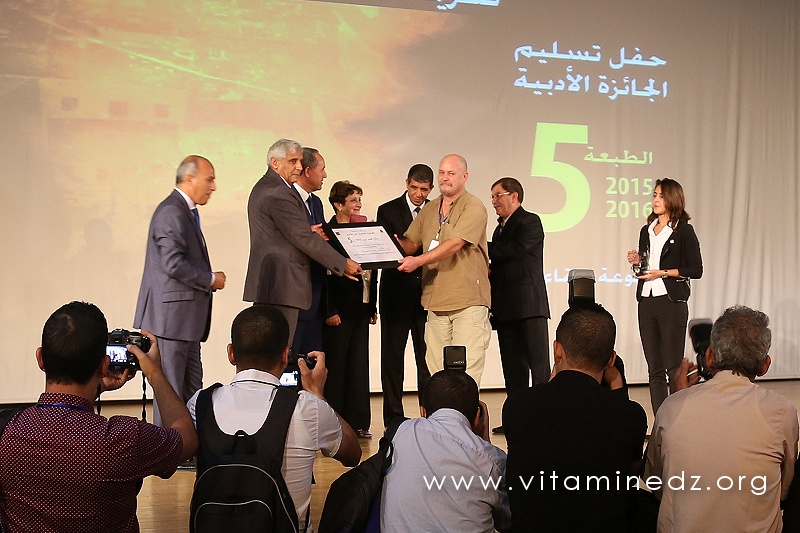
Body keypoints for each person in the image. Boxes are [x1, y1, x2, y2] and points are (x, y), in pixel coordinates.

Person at [0, 301, 197, 533]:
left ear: (40, 359)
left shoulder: (7, 431)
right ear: (105, 365)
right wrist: (154, 373)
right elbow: (187, 438)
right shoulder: (124, 438)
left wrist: (94, 387)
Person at [187, 305, 361, 531]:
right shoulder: (308, 408)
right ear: (285, 355)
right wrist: (318, 394)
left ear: (231, 353)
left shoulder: (199, 403)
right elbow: (352, 454)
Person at [644, 305, 798, 533]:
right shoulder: (781, 412)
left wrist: (677, 400)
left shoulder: (672, 407)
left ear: (709, 357)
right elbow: (785, 489)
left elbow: (656, 482)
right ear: (765, 365)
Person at [502, 303, 647, 532]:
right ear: (611, 360)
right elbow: (630, 477)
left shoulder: (517, 405)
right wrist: (618, 385)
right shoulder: (630, 415)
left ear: (557, 350)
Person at [134, 155, 226, 425]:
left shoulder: (184, 211)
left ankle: (185, 446)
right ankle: (168, 447)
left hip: (184, 321)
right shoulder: (171, 211)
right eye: (209, 179)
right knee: (170, 389)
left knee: (190, 388)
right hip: (171, 320)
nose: (213, 187)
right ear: (189, 179)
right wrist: (209, 279)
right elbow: (172, 263)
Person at [243, 138, 361, 345]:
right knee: (280, 354)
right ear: (275, 162)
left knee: (278, 353)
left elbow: (289, 232)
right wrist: (342, 264)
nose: (299, 166)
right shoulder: (278, 191)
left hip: (279, 285)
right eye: (293, 161)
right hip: (281, 285)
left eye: (299, 161)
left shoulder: (274, 187)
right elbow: (302, 238)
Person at [396, 154, 491, 385]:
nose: (445, 178)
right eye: (442, 173)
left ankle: (465, 421)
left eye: (451, 173)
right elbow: (410, 244)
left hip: (467, 301)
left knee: (466, 374)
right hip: (435, 302)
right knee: (437, 375)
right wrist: (376, 241)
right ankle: (442, 421)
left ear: (464, 177)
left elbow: (455, 244)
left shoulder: (474, 206)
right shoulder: (430, 210)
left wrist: (417, 261)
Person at [380, 370, 511, 532]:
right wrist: (485, 440)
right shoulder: (493, 459)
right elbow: (508, 520)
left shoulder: (399, 432)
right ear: (478, 415)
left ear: (423, 412)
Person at [627, 177, 703, 415]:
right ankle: (661, 418)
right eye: (654, 195)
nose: (656, 200)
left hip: (671, 302)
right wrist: (638, 262)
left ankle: (677, 417)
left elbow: (696, 269)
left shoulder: (683, 231)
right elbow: (645, 268)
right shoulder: (646, 230)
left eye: (661, 196)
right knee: (654, 369)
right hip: (647, 301)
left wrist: (664, 273)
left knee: (673, 367)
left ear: (673, 199)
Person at [488, 177, 550, 435]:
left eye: (498, 195)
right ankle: (516, 418)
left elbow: (515, 250)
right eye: (492, 196)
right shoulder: (498, 228)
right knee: (512, 369)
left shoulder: (530, 221)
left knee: (538, 367)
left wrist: (480, 247)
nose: (494, 201)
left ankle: (544, 416)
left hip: (528, 306)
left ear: (514, 196)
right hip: (505, 308)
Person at [376, 163, 434, 426]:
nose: (418, 194)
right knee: (392, 360)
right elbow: (387, 251)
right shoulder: (387, 210)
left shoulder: (436, 210)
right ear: (406, 183)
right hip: (395, 296)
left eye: (424, 189)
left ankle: (429, 415)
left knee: (427, 361)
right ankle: (393, 418)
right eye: (414, 187)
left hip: (427, 296)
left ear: (431, 188)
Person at [322, 180, 377, 439]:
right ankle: (335, 422)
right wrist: (329, 310)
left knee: (358, 365)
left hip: (360, 308)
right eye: (353, 200)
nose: (358, 204)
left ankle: (358, 422)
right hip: (338, 310)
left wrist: (372, 306)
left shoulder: (363, 230)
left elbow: (371, 271)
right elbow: (323, 277)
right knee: (337, 367)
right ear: (338, 204)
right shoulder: (326, 233)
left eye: (359, 199)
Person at [292, 147, 328, 354]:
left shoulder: (316, 202)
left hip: (315, 296)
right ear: (308, 171)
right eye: (322, 169)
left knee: (312, 360)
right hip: (295, 295)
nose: (325, 175)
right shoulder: (287, 199)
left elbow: (323, 239)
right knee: (291, 362)